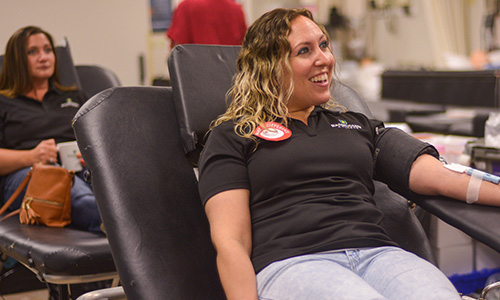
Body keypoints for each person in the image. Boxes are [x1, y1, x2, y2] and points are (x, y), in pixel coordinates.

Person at [197, 8, 500, 300]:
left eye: (324, 45)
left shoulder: (354, 123)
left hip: (380, 255)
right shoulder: (234, 135)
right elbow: (231, 242)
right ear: (270, 65)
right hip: (294, 262)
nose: (324, 59)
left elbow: (438, 176)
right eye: (305, 51)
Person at [0, 26, 101, 233]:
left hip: (82, 169)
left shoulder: (74, 96)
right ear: (16, 59)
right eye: (32, 52)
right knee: (76, 195)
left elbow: (102, 140)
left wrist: (90, 152)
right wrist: (32, 156)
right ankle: (112, 224)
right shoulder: (4, 102)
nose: (44, 57)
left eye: (48, 50)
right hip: (28, 174)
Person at [166, 0, 247, 49]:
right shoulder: (236, 9)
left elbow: (177, 49)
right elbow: (245, 45)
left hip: (197, 74)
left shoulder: (186, 7)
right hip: (232, 73)